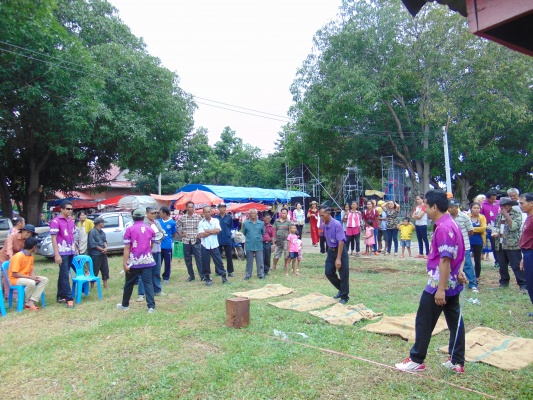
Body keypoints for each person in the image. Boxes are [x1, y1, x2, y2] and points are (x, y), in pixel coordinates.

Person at [395, 189, 467, 374]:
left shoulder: (443, 228)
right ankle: (457, 361)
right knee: (455, 321)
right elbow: (461, 251)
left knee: (424, 320)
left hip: (439, 284)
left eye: (425, 206)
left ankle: (416, 360)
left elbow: (445, 259)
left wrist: (441, 289)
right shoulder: (451, 223)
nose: (423, 209)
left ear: (434, 207)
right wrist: (460, 271)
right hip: (453, 283)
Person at [117, 208, 156, 313]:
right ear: (144, 217)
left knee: (129, 283)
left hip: (133, 262)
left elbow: (127, 248)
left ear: (133, 217)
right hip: (147, 260)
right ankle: (151, 306)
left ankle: (125, 305)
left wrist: (124, 263)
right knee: (148, 283)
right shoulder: (150, 229)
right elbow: (151, 245)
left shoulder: (129, 230)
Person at [493, 197, 527, 292]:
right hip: (500, 243)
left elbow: (514, 227)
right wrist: (494, 232)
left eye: (505, 206)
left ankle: (523, 284)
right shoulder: (499, 215)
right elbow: (496, 226)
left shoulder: (516, 214)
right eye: (502, 206)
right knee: (502, 265)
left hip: (512, 244)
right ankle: (504, 282)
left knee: (516, 265)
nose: (503, 208)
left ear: (510, 205)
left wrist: (507, 215)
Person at [7, 237, 48, 311]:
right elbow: (14, 274)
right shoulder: (18, 256)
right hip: (15, 279)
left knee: (44, 279)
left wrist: (34, 277)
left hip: (26, 277)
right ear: (34, 247)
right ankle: (22, 301)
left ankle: (31, 301)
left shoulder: (31, 256)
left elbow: (31, 269)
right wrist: (31, 278)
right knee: (31, 282)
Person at [319, 206, 349, 304]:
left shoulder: (336, 224)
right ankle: (342, 289)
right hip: (331, 251)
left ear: (328, 214)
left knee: (343, 274)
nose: (321, 217)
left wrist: (338, 258)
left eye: (322, 215)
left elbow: (341, 242)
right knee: (328, 272)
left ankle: (344, 297)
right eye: (320, 216)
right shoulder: (324, 224)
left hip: (340, 251)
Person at [50, 200, 76, 308]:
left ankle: (61, 296)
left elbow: (73, 236)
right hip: (62, 251)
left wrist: (75, 249)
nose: (70, 211)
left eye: (71, 209)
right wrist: (57, 254)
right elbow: (54, 239)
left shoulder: (71, 221)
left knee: (63, 273)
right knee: (65, 275)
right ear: (61, 209)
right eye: (68, 209)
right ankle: (69, 298)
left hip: (71, 250)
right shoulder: (55, 221)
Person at [448, 199, 478, 293]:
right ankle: (454, 282)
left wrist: (462, 239)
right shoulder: (447, 217)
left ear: (457, 207)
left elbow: (470, 230)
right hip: (451, 245)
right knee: (452, 264)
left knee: (467, 264)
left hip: (464, 245)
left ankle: (472, 284)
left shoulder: (464, 217)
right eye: (448, 207)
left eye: (452, 207)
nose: (450, 209)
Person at [198, 206, 228, 286]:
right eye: (206, 212)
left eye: (209, 212)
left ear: (211, 212)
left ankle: (224, 277)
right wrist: (212, 232)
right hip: (205, 245)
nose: (207, 213)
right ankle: (207, 278)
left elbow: (218, 231)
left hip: (214, 245)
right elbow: (201, 235)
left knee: (219, 261)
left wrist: (207, 231)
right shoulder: (201, 223)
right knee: (205, 262)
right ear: (203, 213)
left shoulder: (215, 220)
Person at [176, 201, 203, 282]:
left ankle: (202, 276)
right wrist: (180, 234)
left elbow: (203, 226)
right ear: (186, 208)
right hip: (186, 241)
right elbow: (176, 226)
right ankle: (191, 276)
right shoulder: (182, 218)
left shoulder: (198, 217)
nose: (191, 208)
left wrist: (200, 234)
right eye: (189, 207)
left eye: (192, 207)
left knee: (199, 259)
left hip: (195, 240)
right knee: (187, 259)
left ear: (194, 208)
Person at [518, 193, 533, 317]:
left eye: (522, 203)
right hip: (527, 253)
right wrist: (523, 258)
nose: (520, 206)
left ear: (531, 203)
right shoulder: (528, 217)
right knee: (530, 282)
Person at [242, 208, 265, 280]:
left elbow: (262, 232)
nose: (253, 215)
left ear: (257, 214)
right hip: (249, 244)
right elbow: (244, 233)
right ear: (249, 214)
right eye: (251, 213)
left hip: (258, 244)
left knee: (260, 261)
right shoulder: (245, 223)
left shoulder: (261, 223)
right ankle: (248, 275)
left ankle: (261, 274)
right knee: (249, 261)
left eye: (254, 213)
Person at [87, 217, 109, 289]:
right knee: (94, 270)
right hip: (95, 254)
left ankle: (105, 285)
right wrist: (102, 249)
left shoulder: (102, 232)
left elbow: (104, 241)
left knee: (105, 269)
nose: (104, 224)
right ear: (99, 224)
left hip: (103, 254)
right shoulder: (92, 232)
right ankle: (92, 286)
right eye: (103, 223)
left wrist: (106, 248)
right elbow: (93, 244)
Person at [215, 203, 235, 278]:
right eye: (221, 207)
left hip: (227, 238)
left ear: (226, 208)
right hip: (218, 238)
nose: (222, 208)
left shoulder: (229, 217)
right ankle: (218, 271)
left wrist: (229, 234)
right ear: (218, 208)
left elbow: (231, 227)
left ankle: (230, 272)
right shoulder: (215, 218)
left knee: (229, 256)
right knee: (217, 256)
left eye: (224, 207)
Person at [468, 203, 486, 284]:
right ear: (471, 209)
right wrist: (477, 229)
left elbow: (483, 228)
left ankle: (477, 277)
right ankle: (467, 276)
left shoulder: (482, 217)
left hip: (478, 241)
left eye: (478, 208)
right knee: (466, 259)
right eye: (474, 208)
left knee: (477, 260)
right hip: (468, 240)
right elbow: (465, 227)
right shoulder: (467, 217)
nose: (476, 209)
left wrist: (472, 229)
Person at [158, 206, 177, 284]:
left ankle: (166, 277)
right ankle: (156, 276)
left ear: (164, 213)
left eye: (160, 213)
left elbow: (173, 234)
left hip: (167, 246)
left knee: (168, 262)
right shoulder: (158, 222)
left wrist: (167, 238)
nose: (159, 214)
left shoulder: (172, 223)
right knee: (158, 262)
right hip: (158, 246)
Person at [481, 190, 500, 265]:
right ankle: (497, 261)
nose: (494, 200)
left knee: (500, 245)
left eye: (495, 198)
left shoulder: (498, 203)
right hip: (489, 229)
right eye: (492, 199)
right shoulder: (482, 205)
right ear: (487, 198)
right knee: (494, 245)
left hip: (499, 227)